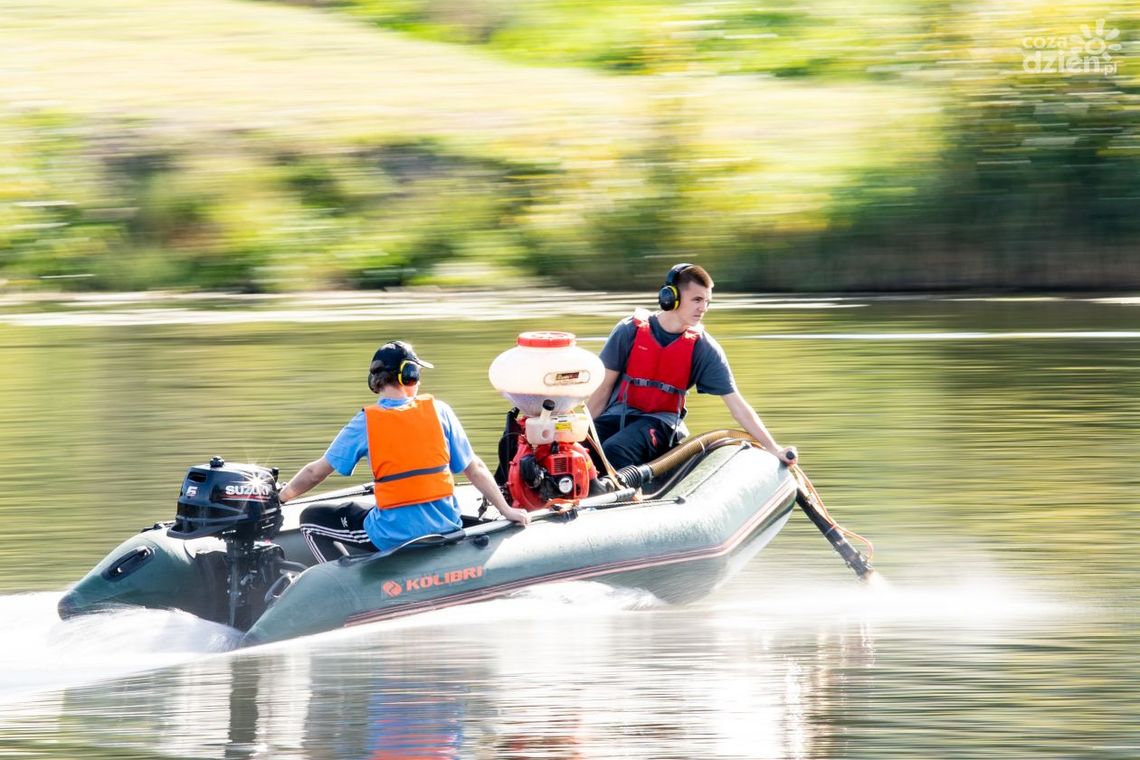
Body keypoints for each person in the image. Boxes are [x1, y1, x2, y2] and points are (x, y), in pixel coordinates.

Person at [280, 340, 529, 563]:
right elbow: (475, 468)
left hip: (392, 536)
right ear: (409, 375)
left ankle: (347, 588)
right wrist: (506, 510)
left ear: (374, 381)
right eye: (418, 373)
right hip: (447, 527)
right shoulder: (440, 411)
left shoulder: (365, 422)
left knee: (311, 519)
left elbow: (315, 472)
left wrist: (281, 497)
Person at [586, 263, 796, 470]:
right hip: (618, 415)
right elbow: (602, 391)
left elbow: (739, 408)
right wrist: (580, 433)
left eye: (707, 302)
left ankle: (632, 499)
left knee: (616, 449)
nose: (703, 308)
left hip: (660, 424)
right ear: (670, 298)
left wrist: (774, 448)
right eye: (697, 299)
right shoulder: (628, 330)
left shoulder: (704, 348)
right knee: (580, 449)